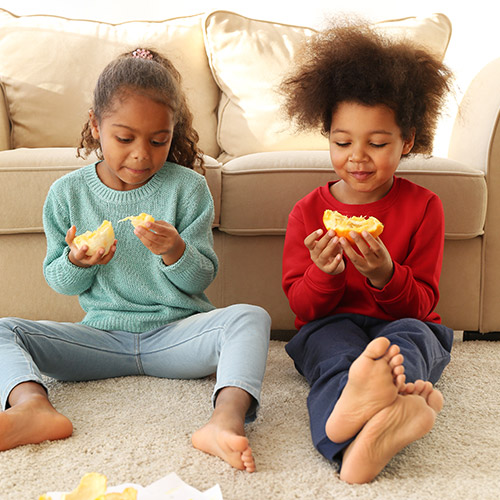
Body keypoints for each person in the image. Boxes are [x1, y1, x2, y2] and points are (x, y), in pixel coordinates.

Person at [0, 48, 270, 473]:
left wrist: (175, 251)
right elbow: (58, 280)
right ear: (96, 125)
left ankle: (224, 421)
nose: (142, 155)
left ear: (172, 132)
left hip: (177, 336)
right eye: (124, 138)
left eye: (158, 140)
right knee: (3, 329)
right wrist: (78, 262)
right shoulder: (67, 194)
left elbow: (203, 276)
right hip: (100, 340)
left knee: (250, 318)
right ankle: (33, 407)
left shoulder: (188, 188)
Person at [279, 22, 455, 483]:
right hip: (330, 322)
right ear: (327, 135)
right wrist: (324, 273)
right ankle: (374, 416)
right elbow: (301, 308)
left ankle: (359, 430)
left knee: (412, 343)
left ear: (408, 141)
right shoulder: (308, 212)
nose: (358, 157)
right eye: (342, 143)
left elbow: (423, 305)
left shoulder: (424, 207)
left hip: (402, 321)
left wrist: (385, 273)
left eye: (377, 144)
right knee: (334, 356)